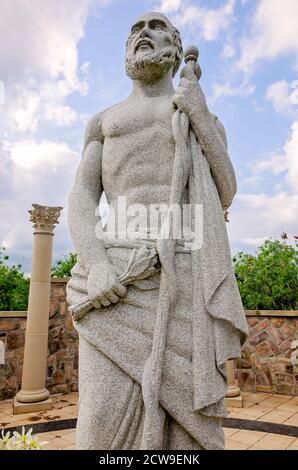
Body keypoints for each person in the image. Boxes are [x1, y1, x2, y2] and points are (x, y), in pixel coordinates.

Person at [67, 11, 248, 450]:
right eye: (135, 29)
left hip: (183, 277)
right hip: (112, 279)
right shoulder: (105, 122)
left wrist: (199, 116)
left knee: (188, 430)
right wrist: (97, 263)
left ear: (175, 45)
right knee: (99, 424)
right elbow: (81, 199)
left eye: (156, 26)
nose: (143, 33)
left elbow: (226, 190)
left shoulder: (201, 117)